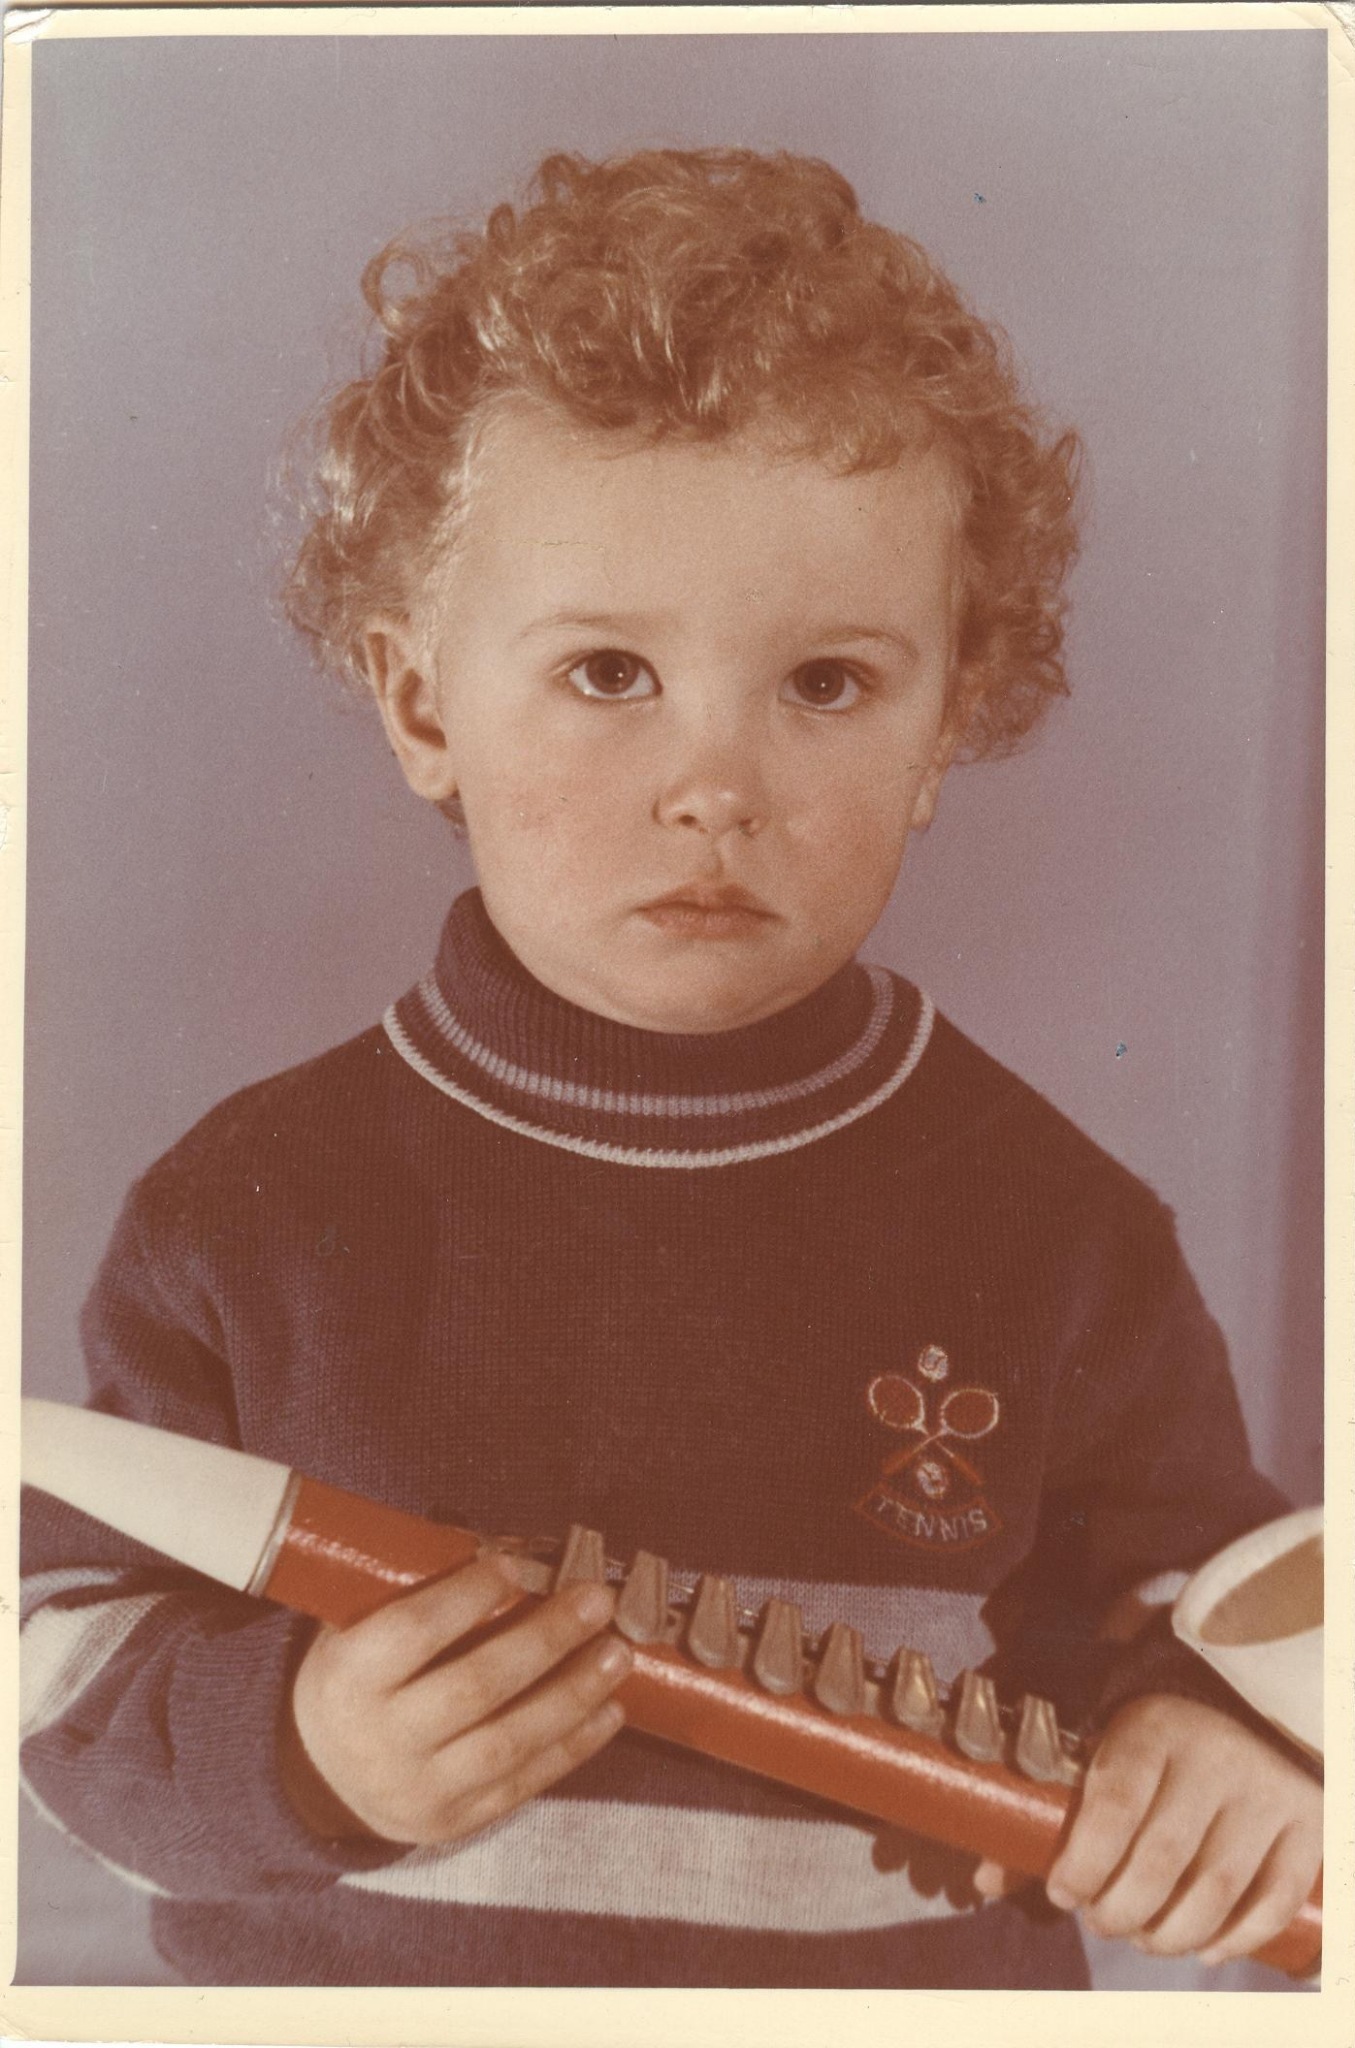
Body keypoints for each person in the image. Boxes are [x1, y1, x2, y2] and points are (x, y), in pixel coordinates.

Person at [20, 148, 1320, 1990]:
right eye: (611, 675)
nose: (718, 785)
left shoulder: (1059, 1231)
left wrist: (1216, 1731)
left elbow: (1207, 1605)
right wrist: (302, 1747)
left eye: (828, 685)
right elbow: (63, 1661)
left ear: (947, 723)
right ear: (421, 704)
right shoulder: (245, 1212)